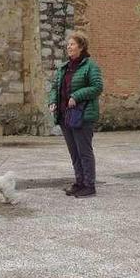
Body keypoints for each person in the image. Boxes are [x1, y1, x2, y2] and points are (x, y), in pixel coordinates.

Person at [48, 31, 104, 198]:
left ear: (81, 46)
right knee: (74, 152)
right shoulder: (64, 68)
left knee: (84, 151)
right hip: (66, 115)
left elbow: (97, 87)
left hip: (83, 115)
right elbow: (54, 87)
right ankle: (79, 182)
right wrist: (52, 101)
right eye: (68, 45)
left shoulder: (90, 66)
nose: (68, 47)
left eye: (72, 44)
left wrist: (76, 96)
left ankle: (89, 185)